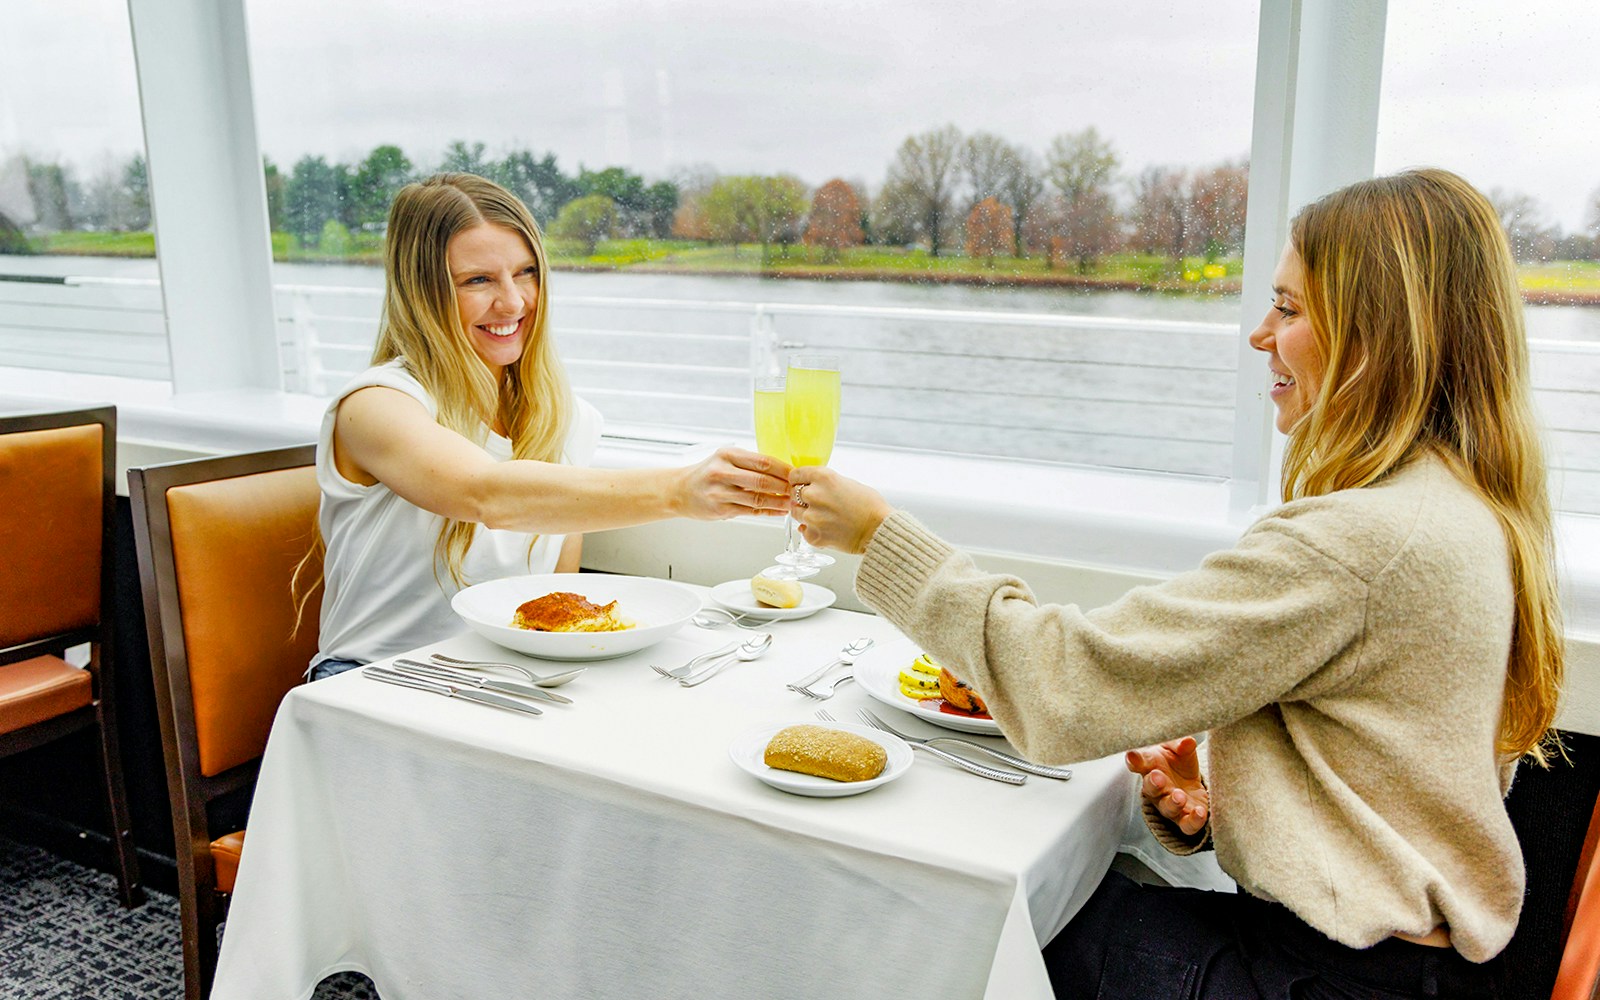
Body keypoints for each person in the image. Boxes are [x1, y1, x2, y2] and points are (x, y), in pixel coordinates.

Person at [788, 169, 1563, 998]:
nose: (1262, 333)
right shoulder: (1465, 510)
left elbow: (1063, 686)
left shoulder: (1362, 542)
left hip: (1323, 979)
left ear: (1379, 336)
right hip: (1414, 971)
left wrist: (879, 539)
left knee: (933, 913)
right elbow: (1401, 780)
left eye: (1291, 309)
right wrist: (1235, 807)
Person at [306, 173, 790, 679]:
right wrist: (681, 490)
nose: (513, 302)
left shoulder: (568, 420)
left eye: (526, 273)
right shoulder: (375, 406)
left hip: (502, 677)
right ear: (421, 293)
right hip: (369, 679)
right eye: (478, 280)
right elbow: (487, 495)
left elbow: (556, 607)